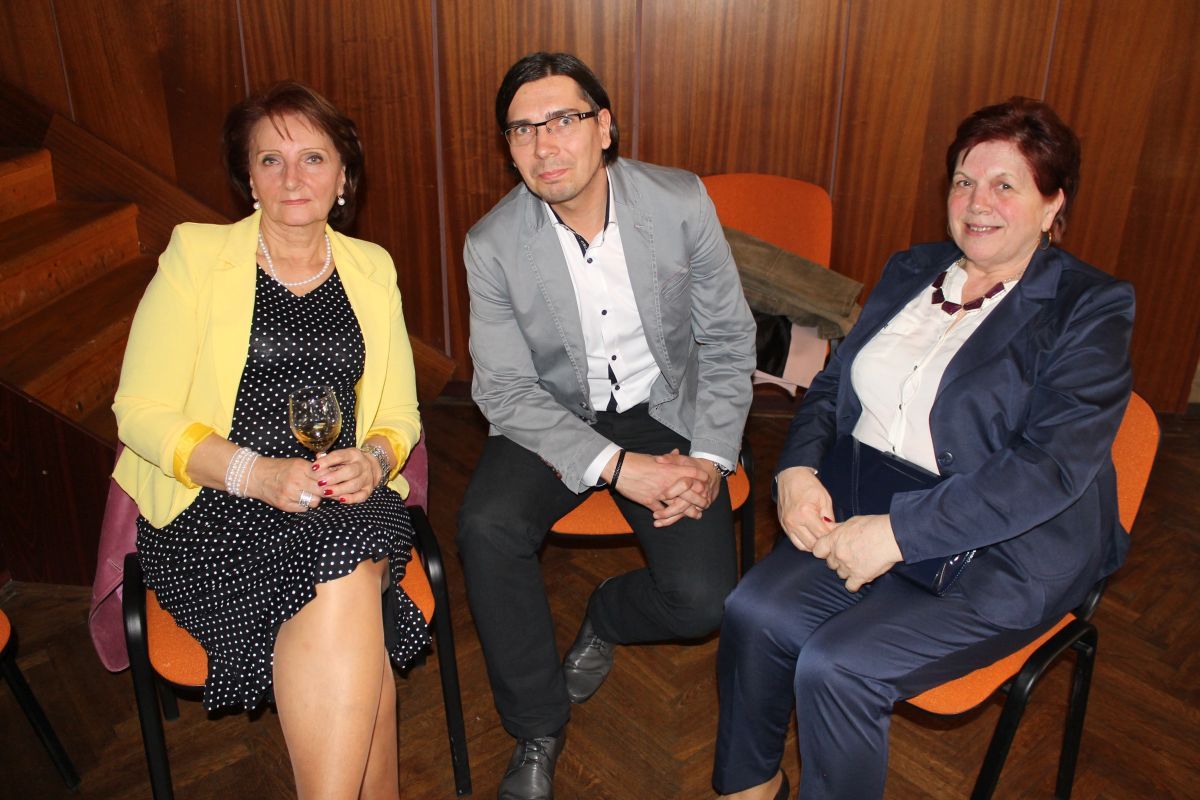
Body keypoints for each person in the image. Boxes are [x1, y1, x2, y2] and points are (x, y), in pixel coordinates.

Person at [712, 97, 1134, 800]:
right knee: (753, 613)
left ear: (1053, 203)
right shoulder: (914, 268)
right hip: (865, 504)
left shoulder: (1090, 307)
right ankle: (749, 790)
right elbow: (834, 385)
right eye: (964, 181)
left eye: (1006, 185)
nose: (978, 202)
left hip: (1004, 549)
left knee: (837, 667)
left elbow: (1050, 467)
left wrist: (899, 535)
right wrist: (797, 468)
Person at [112, 81, 425, 798]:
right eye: (271, 160)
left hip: (341, 495)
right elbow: (139, 410)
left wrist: (375, 459)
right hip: (216, 505)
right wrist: (253, 473)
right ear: (248, 178)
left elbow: (401, 411)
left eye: (313, 158)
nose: (293, 178)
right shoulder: (196, 255)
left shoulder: (371, 267)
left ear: (343, 177)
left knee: (345, 543)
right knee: (354, 596)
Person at [457, 52, 756, 800]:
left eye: (563, 119)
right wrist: (620, 468)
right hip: (555, 415)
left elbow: (726, 339)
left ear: (605, 127)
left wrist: (710, 460)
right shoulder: (492, 244)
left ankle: (606, 614)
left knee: (701, 602)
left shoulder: (679, 202)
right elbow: (505, 389)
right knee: (486, 527)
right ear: (508, 147)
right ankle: (536, 726)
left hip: (666, 408)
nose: (544, 144)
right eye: (522, 129)